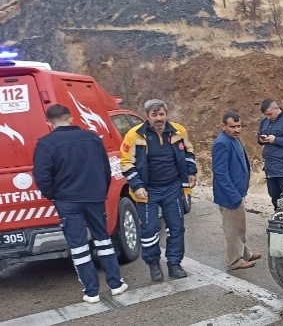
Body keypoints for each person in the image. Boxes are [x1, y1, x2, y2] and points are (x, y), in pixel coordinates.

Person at [32, 104, 128, 303]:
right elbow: (105, 169)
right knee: (103, 240)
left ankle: (91, 292)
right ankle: (116, 284)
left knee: (78, 247)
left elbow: (42, 176)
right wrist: (100, 191)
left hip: (67, 200)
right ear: (71, 118)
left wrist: (55, 196)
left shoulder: (46, 144)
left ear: (48, 122)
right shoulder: (92, 138)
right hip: (94, 197)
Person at [120, 99, 197, 282]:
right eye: (154, 115)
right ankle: (153, 263)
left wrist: (191, 172)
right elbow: (126, 162)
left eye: (161, 114)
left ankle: (174, 264)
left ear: (166, 114)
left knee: (176, 228)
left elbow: (188, 151)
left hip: (172, 187)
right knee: (150, 230)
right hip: (148, 191)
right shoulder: (134, 135)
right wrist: (137, 186)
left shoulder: (178, 131)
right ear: (147, 116)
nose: (158, 118)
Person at [211, 111, 261, 270]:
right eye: (233, 126)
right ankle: (234, 261)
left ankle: (245, 254)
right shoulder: (221, 143)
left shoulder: (233, 139)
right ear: (223, 126)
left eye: (239, 126)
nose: (237, 129)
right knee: (232, 230)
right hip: (230, 196)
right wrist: (234, 195)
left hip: (237, 193)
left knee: (239, 227)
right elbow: (220, 173)